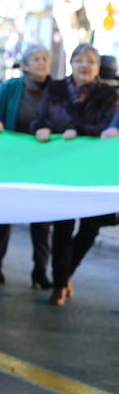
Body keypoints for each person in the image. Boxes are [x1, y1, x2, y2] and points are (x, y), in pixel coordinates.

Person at [31, 43, 118, 306]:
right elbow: (40, 118)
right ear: (71, 64)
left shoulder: (109, 94)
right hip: (60, 169)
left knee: (89, 229)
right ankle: (59, 284)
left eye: (90, 61)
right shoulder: (56, 89)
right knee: (62, 227)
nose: (84, 65)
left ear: (97, 67)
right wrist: (42, 127)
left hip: (93, 171)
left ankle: (66, 272)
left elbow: (107, 128)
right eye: (79, 60)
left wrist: (79, 131)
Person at [0, 44, 53, 287]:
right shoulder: (12, 87)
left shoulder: (56, 90)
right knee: (4, 216)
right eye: (36, 59)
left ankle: (40, 272)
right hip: (11, 163)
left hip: (42, 164)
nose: (41, 63)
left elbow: (66, 118)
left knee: (41, 221)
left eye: (45, 59)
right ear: (26, 65)